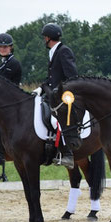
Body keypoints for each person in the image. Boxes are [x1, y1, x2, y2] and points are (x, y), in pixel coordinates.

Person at [39, 23, 78, 169]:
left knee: (57, 121)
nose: (44, 40)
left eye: (44, 37)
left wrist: (59, 91)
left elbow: (72, 76)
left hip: (63, 97)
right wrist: (40, 89)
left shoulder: (63, 51)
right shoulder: (53, 52)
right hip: (52, 95)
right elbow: (51, 78)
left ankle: (68, 154)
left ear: (48, 38)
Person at [0, 33, 22, 164]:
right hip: (1, 101)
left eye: (5, 47)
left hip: (9, 102)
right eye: (0, 46)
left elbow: (2, 86)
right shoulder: (4, 63)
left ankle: (0, 154)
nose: (2, 49)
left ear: (11, 47)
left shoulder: (13, 64)